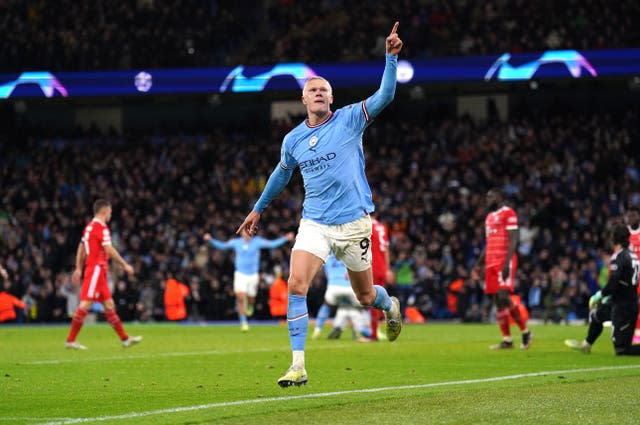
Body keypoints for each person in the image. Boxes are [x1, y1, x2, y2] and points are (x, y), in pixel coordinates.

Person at [237, 22, 404, 388]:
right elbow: (281, 176)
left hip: (354, 223)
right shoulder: (293, 139)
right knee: (296, 284)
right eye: (311, 90)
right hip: (315, 222)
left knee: (364, 295)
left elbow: (385, 96)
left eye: (323, 90)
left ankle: (389, 305)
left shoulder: (349, 119)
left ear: (330, 99)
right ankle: (298, 365)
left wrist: (390, 59)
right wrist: (258, 208)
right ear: (303, 99)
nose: (317, 94)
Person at [65, 199, 142, 350]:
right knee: (86, 303)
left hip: (98, 271)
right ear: (105, 211)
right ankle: (70, 340)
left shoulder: (89, 227)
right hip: (96, 269)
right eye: (110, 212)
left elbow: (81, 247)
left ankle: (125, 339)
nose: (110, 215)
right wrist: (124, 264)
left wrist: (78, 268)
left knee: (109, 305)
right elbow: (108, 248)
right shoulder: (101, 227)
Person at [565, 224, 640, 355]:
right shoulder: (632, 255)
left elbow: (615, 280)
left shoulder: (620, 256)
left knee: (621, 349)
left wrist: (601, 294)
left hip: (624, 306)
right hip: (621, 300)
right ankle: (587, 344)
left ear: (614, 238)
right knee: (597, 315)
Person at [474, 189, 532, 350]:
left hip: (503, 261)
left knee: (503, 295)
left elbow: (514, 238)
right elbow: (489, 242)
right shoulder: (489, 217)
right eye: (487, 196)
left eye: (491, 196)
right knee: (497, 301)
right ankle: (507, 340)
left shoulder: (508, 213)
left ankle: (525, 332)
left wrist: (507, 263)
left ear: (500, 197)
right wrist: (479, 263)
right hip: (490, 262)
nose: (488, 199)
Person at [204, 230, 294, 331]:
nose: (247, 234)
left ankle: (250, 306)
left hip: (253, 276)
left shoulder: (257, 242)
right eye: (245, 232)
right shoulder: (236, 242)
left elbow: (272, 244)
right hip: (240, 274)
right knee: (241, 297)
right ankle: (243, 322)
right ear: (242, 233)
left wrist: (285, 238)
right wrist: (210, 240)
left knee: (251, 299)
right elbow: (222, 246)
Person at [312, 254, 362, 339]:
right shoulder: (351, 253)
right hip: (350, 287)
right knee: (362, 305)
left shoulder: (327, 256)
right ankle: (361, 329)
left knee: (327, 305)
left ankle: (318, 329)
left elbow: (326, 273)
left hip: (333, 287)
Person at [369, 214, 393, 340]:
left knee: (372, 300)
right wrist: (387, 269)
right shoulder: (382, 227)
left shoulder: (367, 226)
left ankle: (374, 334)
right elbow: (386, 249)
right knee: (376, 300)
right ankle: (376, 330)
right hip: (382, 267)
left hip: (372, 267)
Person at [626, 206, 640, 344]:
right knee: (631, 305)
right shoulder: (625, 234)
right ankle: (631, 332)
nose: (630, 218)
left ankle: (637, 334)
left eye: (633, 216)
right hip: (629, 277)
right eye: (629, 216)